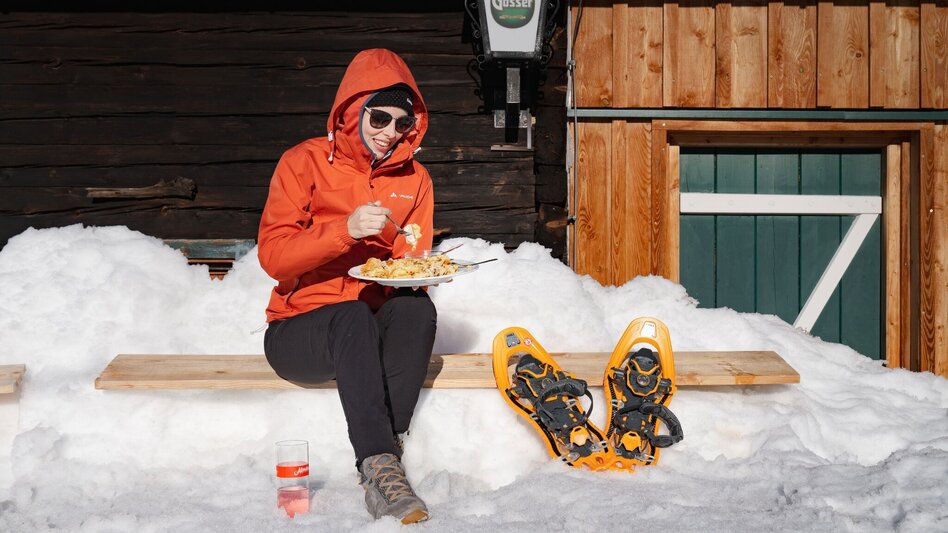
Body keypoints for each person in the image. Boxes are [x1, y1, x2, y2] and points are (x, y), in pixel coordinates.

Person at [257, 48, 436, 525]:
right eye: (379, 117)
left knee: (417, 310)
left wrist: (414, 267)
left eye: (402, 123)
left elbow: (409, 261)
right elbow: (274, 258)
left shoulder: (415, 179)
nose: (389, 132)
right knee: (351, 312)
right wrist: (345, 231)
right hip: (299, 333)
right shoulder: (304, 162)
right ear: (354, 112)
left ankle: (387, 452)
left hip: (368, 332)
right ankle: (377, 462)